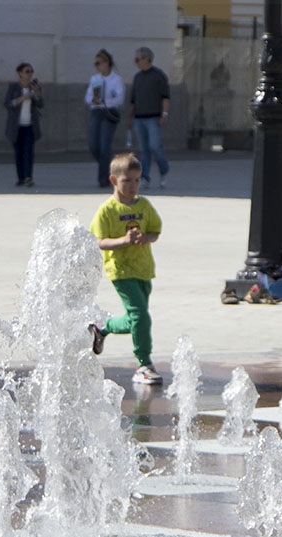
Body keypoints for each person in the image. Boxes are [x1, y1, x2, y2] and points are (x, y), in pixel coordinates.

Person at [89, 153, 164, 385]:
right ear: (113, 180)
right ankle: (143, 363)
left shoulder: (144, 205)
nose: (133, 186)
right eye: (127, 181)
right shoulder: (107, 210)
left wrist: (145, 238)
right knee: (141, 316)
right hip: (120, 270)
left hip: (143, 269)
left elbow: (155, 232)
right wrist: (123, 240)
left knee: (136, 319)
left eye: (137, 180)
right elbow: (99, 241)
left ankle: (102, 328)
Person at [128, 47, 171, 189]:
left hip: (153, 118)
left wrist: (164, 114)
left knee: (155, 146)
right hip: (139, 118)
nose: (136, 62)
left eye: (137, 59)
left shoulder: (159, 76)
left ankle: (164, 169)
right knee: (143, 150)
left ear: (147, 59)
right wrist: (130, 117)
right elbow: (133, 99)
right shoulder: (137, 77)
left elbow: (165, 97)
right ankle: (145, 176)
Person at [85, 49, 125, 189]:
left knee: (104, 145)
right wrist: (94, 100)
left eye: (99, 63)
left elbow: (119, 99)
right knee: (93, 145)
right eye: (96, 64)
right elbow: (88, 97)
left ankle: (103, 179)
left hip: (109, 112)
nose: (97, 66)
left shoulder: (116, 79)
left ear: (107, 63)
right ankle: (109, 166)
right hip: (96, 112)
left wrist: (105, 100)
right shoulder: (95, 79)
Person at [4, 62, 42, 187]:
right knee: (19, 153)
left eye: (31, 71)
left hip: (30, 126)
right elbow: (8, 104)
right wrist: (23, 98)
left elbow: (41, 104)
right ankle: (20, 178)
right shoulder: (14, 87)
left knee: (28, 152)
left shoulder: (34, 87)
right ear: (20, 73)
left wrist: (36, 94)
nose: (29, 74)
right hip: (16, 126)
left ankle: (28, 178)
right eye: (27, 71)